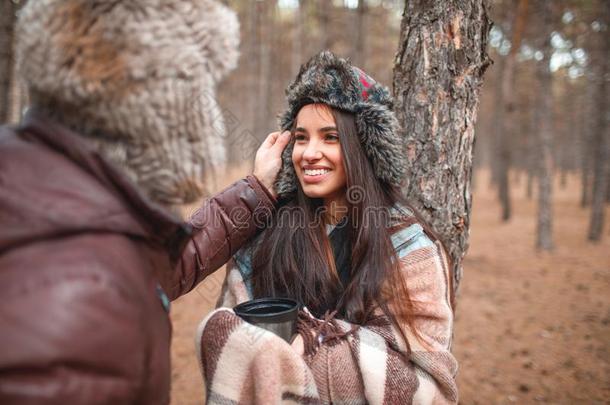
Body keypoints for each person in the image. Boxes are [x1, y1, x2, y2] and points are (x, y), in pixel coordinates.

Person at [0, 1, 290, 404]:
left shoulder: (46, 185)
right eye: (198, 91)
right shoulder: (82, 295)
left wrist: (256, 191)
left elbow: (155, 269)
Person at [197, 51, 458, 404]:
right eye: (301, 137)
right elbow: (232, 332)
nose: (309, 152)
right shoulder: (270, 235)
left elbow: (423, 380)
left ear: (363, 148)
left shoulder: (406, 243)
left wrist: (312, 339)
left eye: (330, 137)